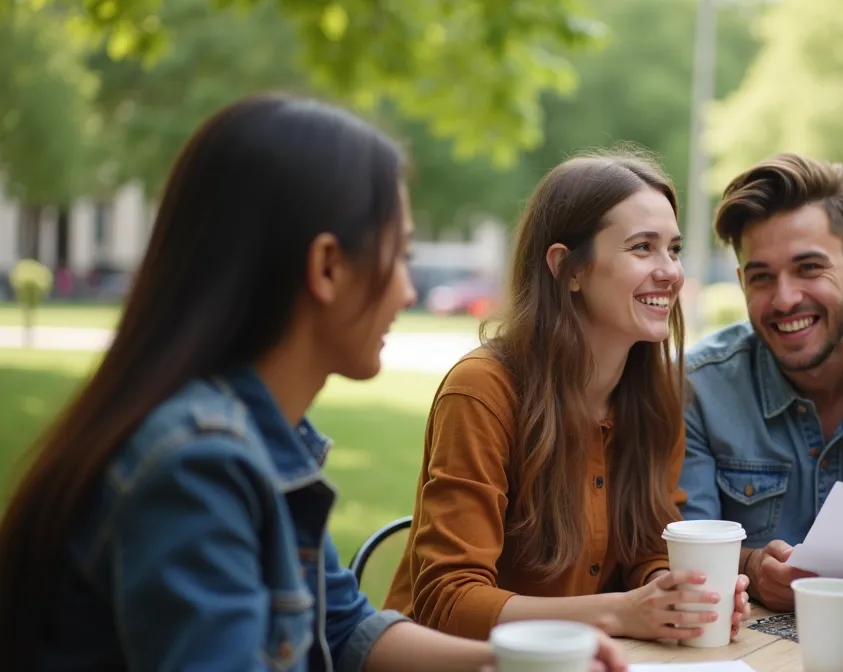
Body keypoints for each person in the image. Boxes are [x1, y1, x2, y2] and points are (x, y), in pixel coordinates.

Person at [0, 94, 625, 671]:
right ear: (328, 266)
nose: (409, 291)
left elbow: (347, 625)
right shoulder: (199, 465)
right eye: (400, 256)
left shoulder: (266, 436)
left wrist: (514, 662)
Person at [383, 149, 751, 641]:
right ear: (568, 269)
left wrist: (673, 595)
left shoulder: (657, 395)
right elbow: (446, 601)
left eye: (674, 249)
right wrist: (620, 613)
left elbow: (647, 547)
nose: (671, 272)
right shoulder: (482, 391)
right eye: (643, 247)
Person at [679, 152, 843, 611]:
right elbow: (689, 554)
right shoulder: (698, 389)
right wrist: (751, 566)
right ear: (741, 284)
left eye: (809, 268)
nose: (786, 298)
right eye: (762, 278)